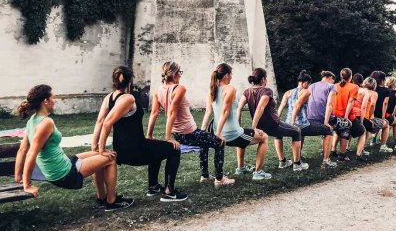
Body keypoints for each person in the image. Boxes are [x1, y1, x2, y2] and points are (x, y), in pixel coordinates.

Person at [14, 84, 134, 212]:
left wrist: (17, 176)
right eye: (53, 97)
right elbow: (30, 153)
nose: (55, 101)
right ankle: (112, 201)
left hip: (62, 164)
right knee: (110, 158)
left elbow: (22, 150)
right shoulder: (46, 123)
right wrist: (27, 185)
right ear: (46, 101)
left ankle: (102, 197)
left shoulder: (32, 120)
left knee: (98, 153)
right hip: (64, 174)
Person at [93, 66, 187, 202]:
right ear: (130, 80)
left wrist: (94, 146)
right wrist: (101, 150)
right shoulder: (128, 99)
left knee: (156, 147)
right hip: (135, 151)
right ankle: (170, 191)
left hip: (122, 150)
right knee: (174, 149)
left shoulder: (109, 98)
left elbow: (99, 121)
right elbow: (106, 123)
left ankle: (153, 186)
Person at [147, 62, 235, 187]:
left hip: (179, 134)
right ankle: (220, 179)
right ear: (174, 74)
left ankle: (205, 176)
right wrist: (167, 138)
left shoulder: (158, 91)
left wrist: (149, 135)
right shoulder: (179, 89)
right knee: (220, 142)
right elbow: (172, 113)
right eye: (180, 73)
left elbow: (154, 114)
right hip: (188, 133)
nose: (180, 76)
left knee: (204, 142)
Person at [202, 63, 271, 180]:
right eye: (231, 74)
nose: (232, 77)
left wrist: (203, 131)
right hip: (230, 134)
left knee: (244, 133)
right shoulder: (230, 89)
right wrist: (219, 134)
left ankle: (241, 168)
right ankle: (258, 173)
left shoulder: (211, 91)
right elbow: (225, 112)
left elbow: (208, 113)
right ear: (226, 76)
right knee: (264, 137)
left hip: (222, 133)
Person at [239, 68, 309, 172]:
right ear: (263, 79)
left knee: (279, 133)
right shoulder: (267, 91)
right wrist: (253, 128)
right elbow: (260, 108)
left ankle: (282, 162)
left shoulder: (246, 92)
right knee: (297, 131)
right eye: (266, 78)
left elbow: (239, 108)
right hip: (272, 125)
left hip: (261, 127)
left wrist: (238, 126)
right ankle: (297, 164)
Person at [277, 70, 336, 169]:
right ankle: (326, 161)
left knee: (279, 135)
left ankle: (285, 161)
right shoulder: (306, 91)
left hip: (287, 123)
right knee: (328, 130)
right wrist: (293, 122)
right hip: (300, 124)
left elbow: (281, 107)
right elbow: (297, 106)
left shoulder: (288, 92)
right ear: (306, 83)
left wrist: (277, 120)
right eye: (309, 84)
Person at [332, 68, 367, 161]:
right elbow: (350, 102)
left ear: (341, 76)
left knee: (338, 131)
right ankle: (358, 155)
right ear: (351, 76)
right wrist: (346, 117)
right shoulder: (354, 87)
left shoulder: (335, 85)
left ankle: (333, 150)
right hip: (347, 115)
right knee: (362, 131)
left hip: (335, 114)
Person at [361, 77, 393, 153]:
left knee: (366, 130)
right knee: (386, 124)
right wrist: (370, 117)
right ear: (374, 85)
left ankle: (361, 148)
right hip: (366, 117)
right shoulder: (374, 93)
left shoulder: (360, 91)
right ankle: (383, 146)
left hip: (358, 116)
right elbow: (372, 104)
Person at [384, 77, 396, 151]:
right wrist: (393, 114)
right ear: (395, 84)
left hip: (381, 113)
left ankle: (373, 140)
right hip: (389, 114)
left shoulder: (384, 90)